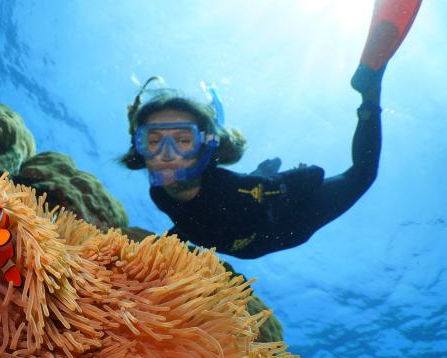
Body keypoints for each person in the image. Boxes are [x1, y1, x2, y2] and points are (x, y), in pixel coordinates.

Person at [121, 0, 421, 259]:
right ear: (139, 150)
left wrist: (306, 176)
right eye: (153, 141)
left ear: (207, 144)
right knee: (259, 176)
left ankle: (370, 93)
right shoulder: (158, 193)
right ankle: (265, 168)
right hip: (254, 203)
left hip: (293, 219)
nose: (166, 154)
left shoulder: (232, 191)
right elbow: (191, 225)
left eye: (183, 140)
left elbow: (289, 185)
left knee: (363, 174)